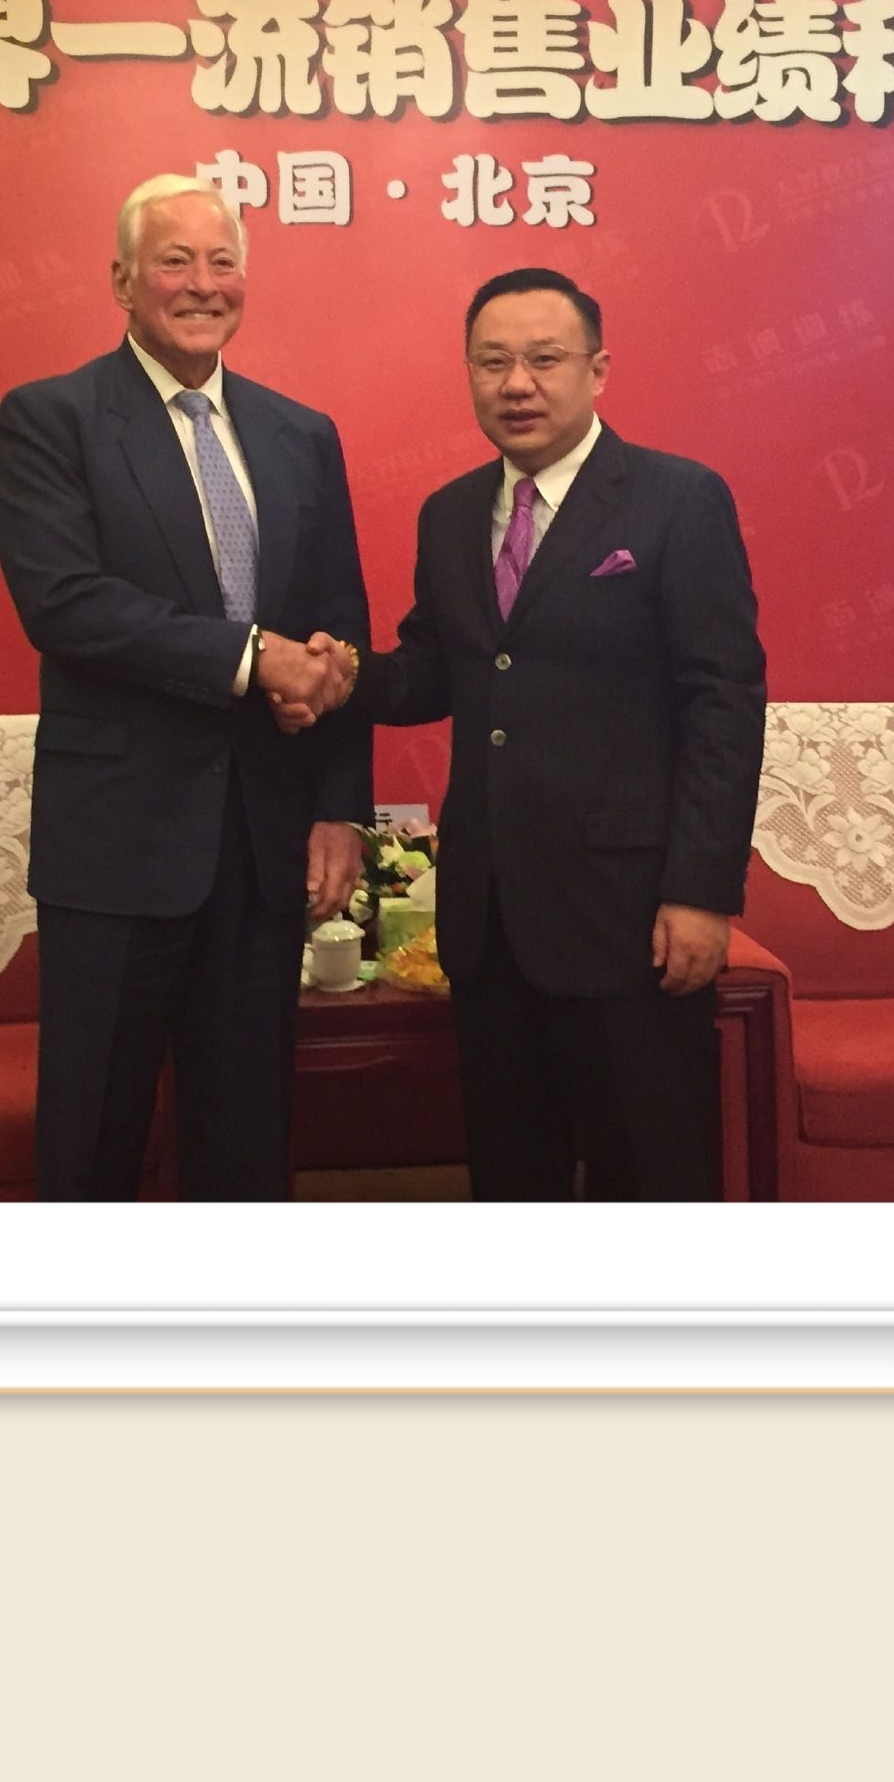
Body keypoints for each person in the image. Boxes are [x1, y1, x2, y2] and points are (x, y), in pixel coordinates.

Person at [289, 267, 765, 1201]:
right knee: (512, 1177)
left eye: (545, 360)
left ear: (598, 370)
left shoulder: (678, 499)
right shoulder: (451, 513)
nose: (518, 384)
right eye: (493, 362)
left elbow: (724, 703)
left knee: (650, 1177)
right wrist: (343, 673)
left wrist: (702, 892)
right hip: (491, 918)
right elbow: (438, 668)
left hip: (631, 916)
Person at [0, 176, 370, 1199]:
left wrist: (340, 810)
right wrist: (251, 657)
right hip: (118, 846)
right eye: (174, 261)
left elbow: (338, 633)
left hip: (261, 843)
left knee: (246, 1144)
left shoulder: (300, 433)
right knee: (93, 1142)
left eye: (222, 262)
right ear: (122, 281)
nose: (203, 284)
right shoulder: (52, 419)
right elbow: (65, 603)